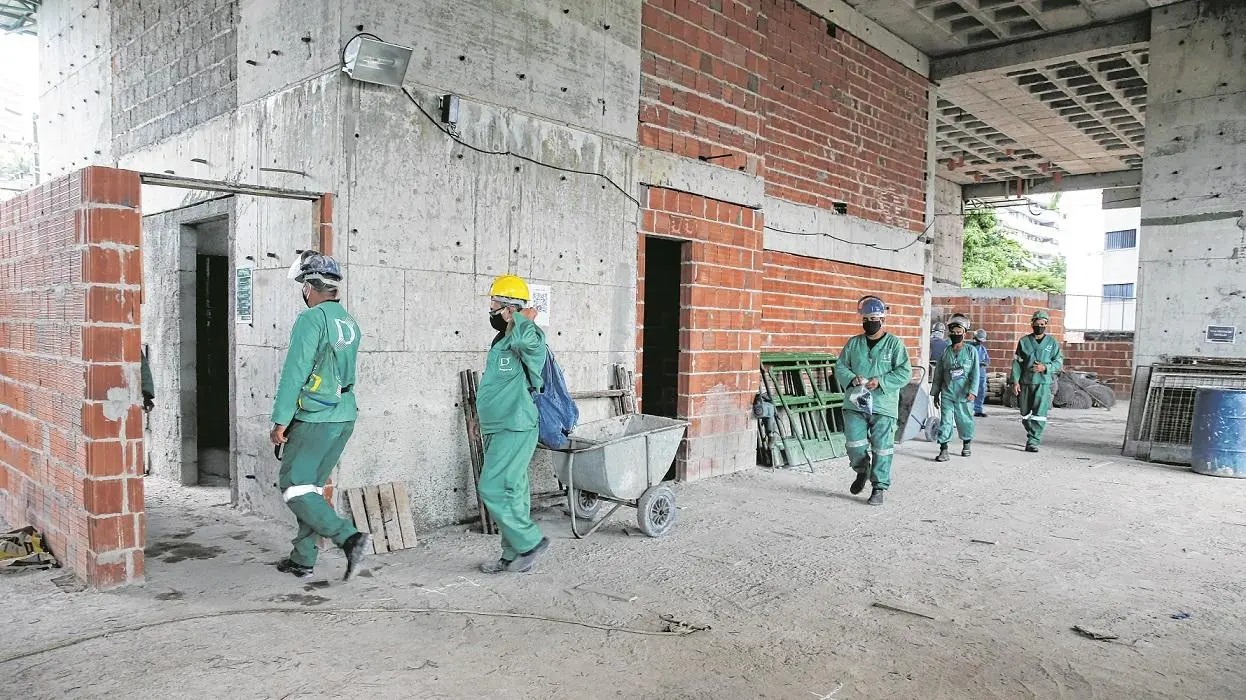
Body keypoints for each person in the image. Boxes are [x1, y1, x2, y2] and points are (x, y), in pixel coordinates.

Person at [270, 252, 370, 580]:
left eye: (303, 285)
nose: (302, 291)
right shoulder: (349, 321)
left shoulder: (311, 319)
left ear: (311, 287)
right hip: (343, 415)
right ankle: (303, 558)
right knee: (309, 489)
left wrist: (281, 419)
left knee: (293, 485)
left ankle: (348, 537)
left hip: (317, 416)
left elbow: (294, 372)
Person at [475, 274, 551, 573]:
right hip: (499, 425)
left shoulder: (528, 336)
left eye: (495, 304)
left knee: (492, 487)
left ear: (509, 309)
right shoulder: (503, 340)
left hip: (515, 425)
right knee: (513, 492)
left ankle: (529, 541)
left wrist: (524, 318)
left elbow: (530, 345)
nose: (491, 310)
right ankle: (513, 556)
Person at [834, 296, 912, 506]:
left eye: (875, 318)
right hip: (856, 402)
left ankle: (879, 487)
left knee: (882, 447)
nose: (870, 322)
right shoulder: (854, 343)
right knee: (854, 444)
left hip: (883, 404)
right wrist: (852, 378)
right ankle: (862, 470)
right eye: (866, 318)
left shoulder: (895, 344)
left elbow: (905, 372)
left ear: (883, 319)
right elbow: (840, 366)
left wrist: (881, 381)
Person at [1009, 310, 1064, 452]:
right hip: (1026, 382)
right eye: (1037, 323)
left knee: (1039, 414)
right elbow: (1017, 363)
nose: (1039, 326)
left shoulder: (1051, 343)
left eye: (1042, 324)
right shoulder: (1024, 342)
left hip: (1043, 383)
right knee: (1025, 413)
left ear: (1046, 325)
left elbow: (1058, 362)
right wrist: (1015, 381)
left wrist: (1045, 367)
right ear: (1032, 323)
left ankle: (1033, 440)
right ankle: (1031, 433)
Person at [932, 315, 978, 462]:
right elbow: (938, 373)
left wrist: (973, 391)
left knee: (965, 420)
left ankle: (966, 444)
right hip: (947, 393)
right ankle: (944, 449)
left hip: (964, 394)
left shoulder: (971, 352)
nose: (956, 335)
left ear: (965, 333)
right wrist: (935, 393)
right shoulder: (945, 352)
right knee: (945, 421)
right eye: (954, 332)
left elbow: (975, 373)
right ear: (949, 333)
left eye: (960, 332)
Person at [971, 329, 989, 417]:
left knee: (981, 391)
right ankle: (969, 409)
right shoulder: (969, 347)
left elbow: (987, 360)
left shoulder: (983, 349)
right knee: (970, 391)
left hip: (981, 372)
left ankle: (978, 409)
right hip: (971, 373)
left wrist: (984, 363)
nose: (979, 343)